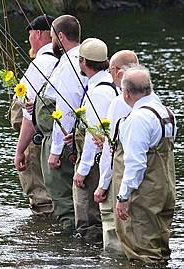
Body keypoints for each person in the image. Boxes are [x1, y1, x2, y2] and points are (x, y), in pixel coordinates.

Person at [113, 65, 176, 263]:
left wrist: (123, 197)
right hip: (165, 189)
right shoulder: (167, 113)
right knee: (161, 249)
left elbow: (135, 164)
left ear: (127, 93)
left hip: (144, 194)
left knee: (142, 253)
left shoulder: (138, 118)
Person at [35, 15, 87, 232]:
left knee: (63, 199)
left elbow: (65, 110)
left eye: (53, 35)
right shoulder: (79, 60)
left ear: (61, 36)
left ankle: (69, 248)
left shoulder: (69, 65)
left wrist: (55, 151)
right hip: (73, 139)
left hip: (64, 141)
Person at [93, 50, 139, 251]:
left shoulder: (120, 102)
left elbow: (111, 149)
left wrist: (102, 184)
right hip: (143, 179)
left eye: (111, 70)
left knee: (113, 230)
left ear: (119, 72)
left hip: (120, 177)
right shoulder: (151, 99)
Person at [72, 38, 117, 241]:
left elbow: (93, 137)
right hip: (106, 160)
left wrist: (82, 171)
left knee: (88, 220)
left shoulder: (97, 93)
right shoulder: (111, 86)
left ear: (83, 62)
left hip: (95, 165)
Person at [13, 15, 57, 215]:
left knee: (41, 198)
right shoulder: (69, 61)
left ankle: (43, 238)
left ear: (38, 34)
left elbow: (29, 115)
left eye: (30, 34)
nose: (29, 40)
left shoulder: (40, 64)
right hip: (62, 140)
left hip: (39, 141)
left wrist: (20, 149)